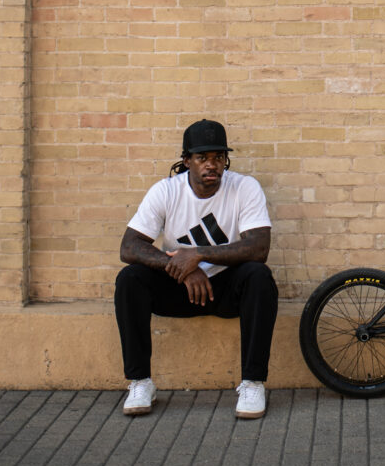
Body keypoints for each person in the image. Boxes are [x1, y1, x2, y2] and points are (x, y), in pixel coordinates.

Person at [114, 119, 278, 419]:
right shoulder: (166, 191)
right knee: (129, 280)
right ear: (187, 160)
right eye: (202, 158)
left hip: (226, 290)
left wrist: (199, 254)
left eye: (218, 158)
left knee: (259, 276)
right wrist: (183, 267)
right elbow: (129, 247)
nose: (211, 165)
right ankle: (140, 382)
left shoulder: (244, 187)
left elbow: (259, 248)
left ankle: (253, 382)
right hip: (179, 290)